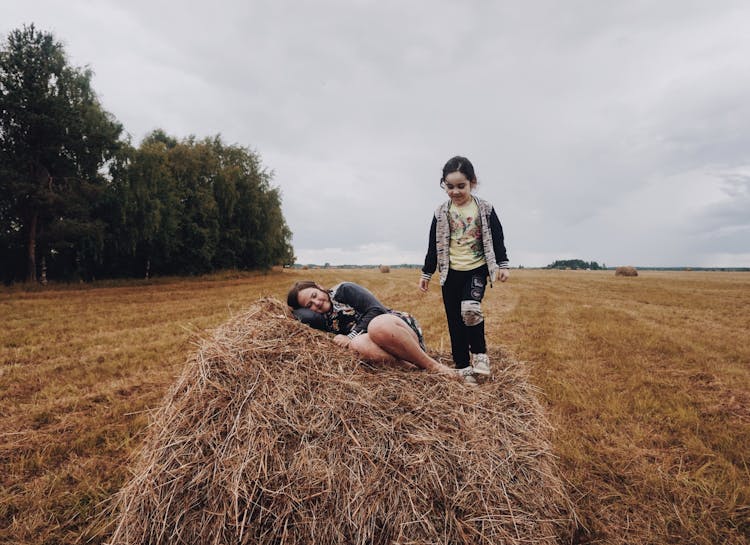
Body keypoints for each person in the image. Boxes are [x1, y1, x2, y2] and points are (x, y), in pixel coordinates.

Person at [419, 155, 509, 380]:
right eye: (449, 187)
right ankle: (462, 368)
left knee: (470, 309)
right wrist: (427, 273)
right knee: (455, 323)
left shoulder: (484, 208)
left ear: (472, 183)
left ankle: (480, 354)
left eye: (461, 186)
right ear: (444, 185)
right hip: (450, 274)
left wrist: (503, 264)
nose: (455, 191)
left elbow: (497, 237)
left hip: (476, 269)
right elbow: (434, 244)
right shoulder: (441, 212)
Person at [287, 280, 474, 382]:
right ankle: (415, 370)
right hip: (381, 346)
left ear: (319, 287)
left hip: (394, 328)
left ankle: (434, 366)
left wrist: (350, 336)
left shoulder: (344, 291)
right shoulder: (323, 321)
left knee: (375, 327)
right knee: (357, 345)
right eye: (309, 305)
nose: (317, 303)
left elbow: (377, 310)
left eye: (314, 295)